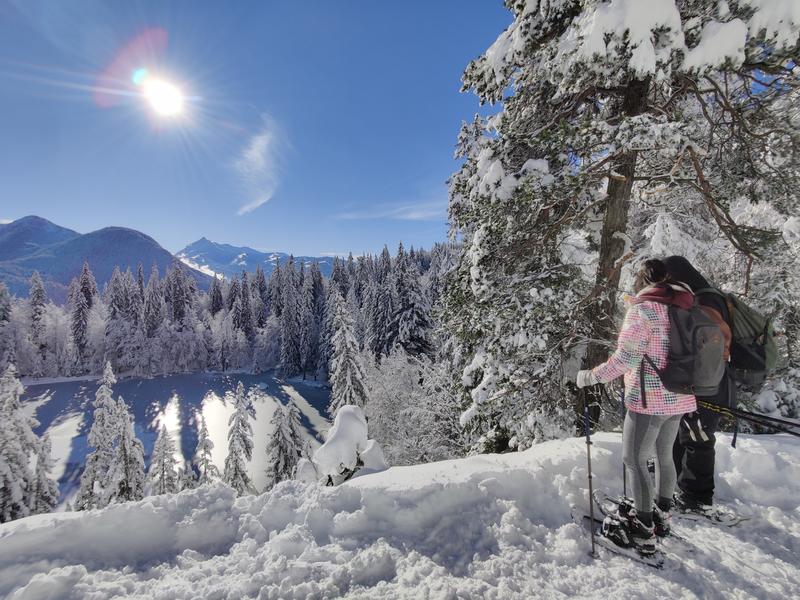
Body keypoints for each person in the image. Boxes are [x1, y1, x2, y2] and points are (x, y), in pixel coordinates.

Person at [576, 258, 697, 555]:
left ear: (641, 281)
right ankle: (661, 517)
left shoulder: (643, 310)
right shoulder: (684, 307)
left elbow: (626, 358)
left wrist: (591, 377)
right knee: (664, 456)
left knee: (634, 459)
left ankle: (643, 530)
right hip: (680, 396)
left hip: (649, 399)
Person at [663, 255, 735, 513]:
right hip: (709, 380)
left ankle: (697, 498)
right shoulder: (709, 297)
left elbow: (709, 344)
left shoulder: (704, 302)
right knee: (686, 432)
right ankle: (680, 488)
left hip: (708, 383)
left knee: (698, 436)